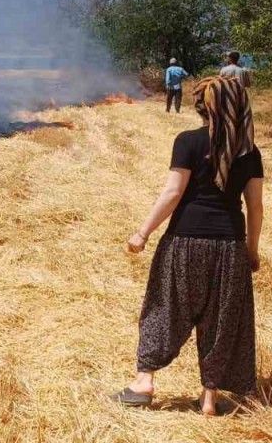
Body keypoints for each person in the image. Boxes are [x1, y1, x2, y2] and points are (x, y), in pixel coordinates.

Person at [113, 76, 264, 416]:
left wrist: (142, 233)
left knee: (164, 308)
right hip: (230, 247)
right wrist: (251, 251)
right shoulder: (249, 152)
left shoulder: (188, 142)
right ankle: (209, 398)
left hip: (184, 242)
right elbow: (255, 207)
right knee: (221, 321)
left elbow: (173, 193)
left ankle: (144, 382)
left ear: (202, 107)